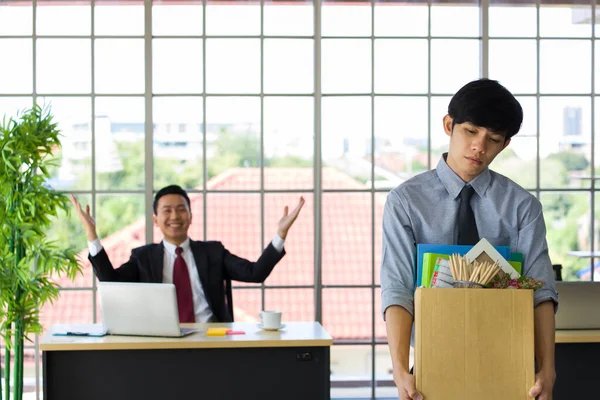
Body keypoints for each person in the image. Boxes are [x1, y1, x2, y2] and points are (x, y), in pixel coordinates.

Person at [381, 79, 558, 400]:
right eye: (471, 131)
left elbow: (542, 291)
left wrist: (548, 369)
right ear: (449, 125)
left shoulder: (522, 207)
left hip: (512, 363)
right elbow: (397, 289)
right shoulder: (405, 201)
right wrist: (399, 369)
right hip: (433, 364)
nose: (480, 146)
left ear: (505, 145)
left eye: (493, 139)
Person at [71, 184, 305, 323]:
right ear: (156, 220)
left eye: (181, 209)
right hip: (162, 342)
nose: (175, 216)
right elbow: (111, 282)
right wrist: (91, 234)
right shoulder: (143, 257)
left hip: (212, 338)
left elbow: (256, 272)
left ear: (190, 216)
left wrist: (280, 233)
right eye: (167, 211)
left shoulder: (213, 252)